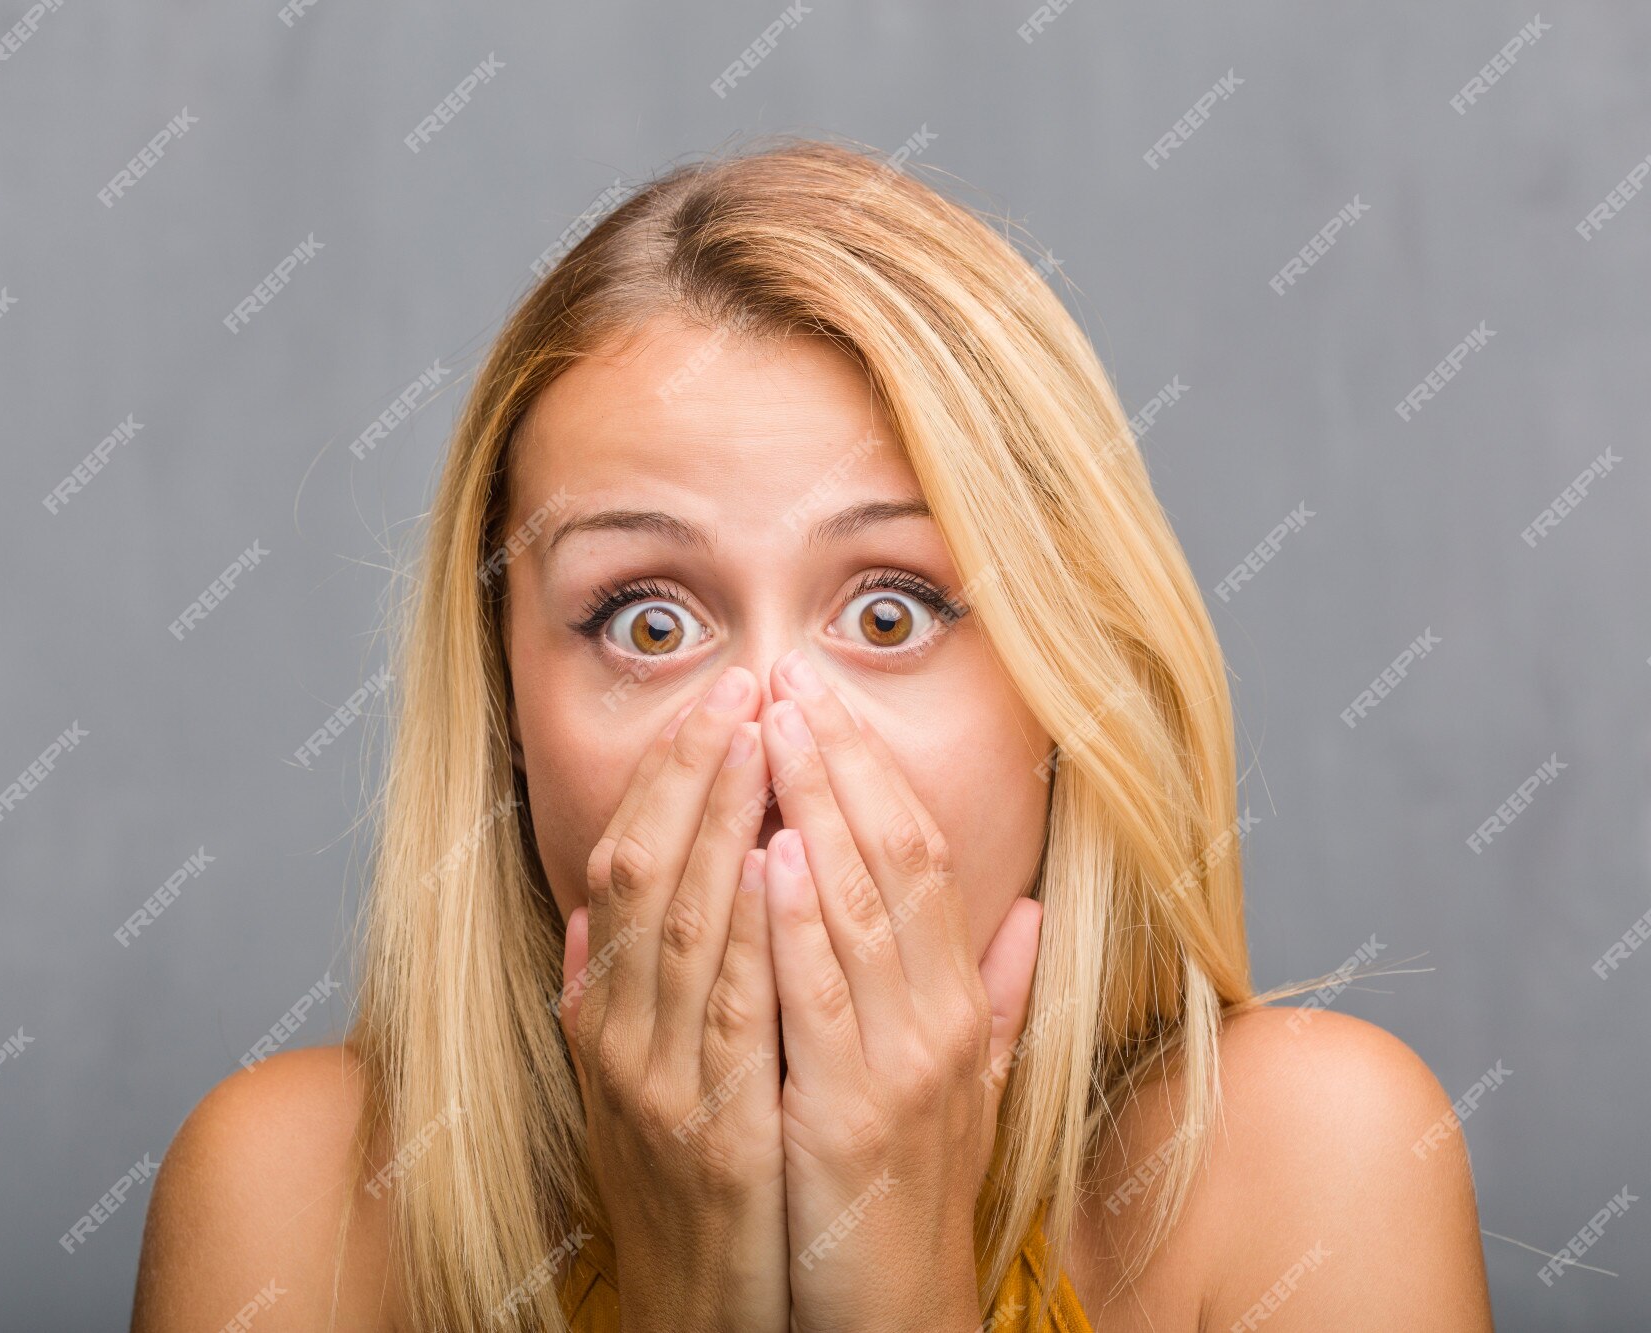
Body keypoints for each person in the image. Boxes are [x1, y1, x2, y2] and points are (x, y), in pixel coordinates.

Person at [129, 137, 1494, 1332]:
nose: (773, 741)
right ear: (505, 716)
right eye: (647, 624)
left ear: (1068, 688)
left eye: (892, 614)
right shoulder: (288, 1199)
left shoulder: (1313, 1166)